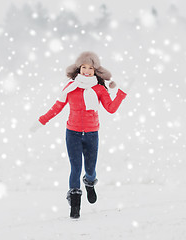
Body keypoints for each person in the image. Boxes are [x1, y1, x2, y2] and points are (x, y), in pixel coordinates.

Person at [30, 51, 127, 219]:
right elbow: (57, 107)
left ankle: (89, 183)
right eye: (84, 67)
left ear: (95, 70)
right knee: (75, 168)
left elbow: (111, 109)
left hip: (91, 134)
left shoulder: (99, 89)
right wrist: (41, 121)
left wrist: (120, 94)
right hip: (72, 133)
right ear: (78, 68)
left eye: (91, 68)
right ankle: (75, 204)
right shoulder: (70, 88)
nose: (87, 71)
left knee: (90, 169)